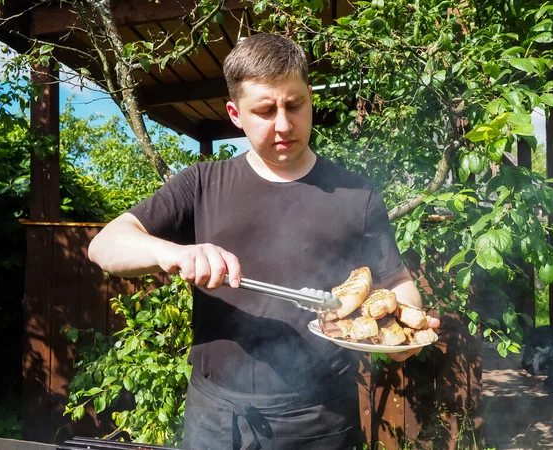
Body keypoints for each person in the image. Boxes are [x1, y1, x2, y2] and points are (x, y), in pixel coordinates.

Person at [89, 33, 439, 450]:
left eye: (295, 105)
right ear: (236, 114)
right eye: (265, 111)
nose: (284, 124)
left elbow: (396, 280)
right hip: (217, 420)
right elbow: (105, 245)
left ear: (311, 97)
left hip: (321, 420)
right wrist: (174, 252)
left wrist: (405, 330)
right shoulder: (202, 183)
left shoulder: (356, 195)